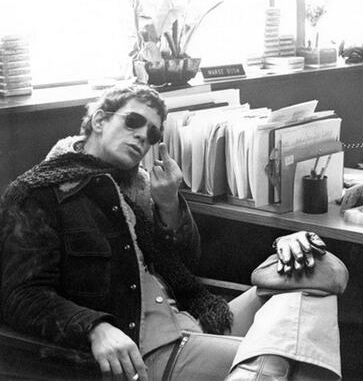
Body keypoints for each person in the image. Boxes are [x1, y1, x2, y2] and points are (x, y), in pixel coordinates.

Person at [0, 85, 344, 381]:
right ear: (100, 120)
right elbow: (19, 295)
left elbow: (185, 267)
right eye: (133, 121)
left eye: (152, 134)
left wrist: (168, 204)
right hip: (148, 347)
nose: (142, 136)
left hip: (193, 320)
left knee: (315, 270)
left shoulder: (137, 188)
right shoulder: (39, 192)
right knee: (295, 357)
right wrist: (95, 327)